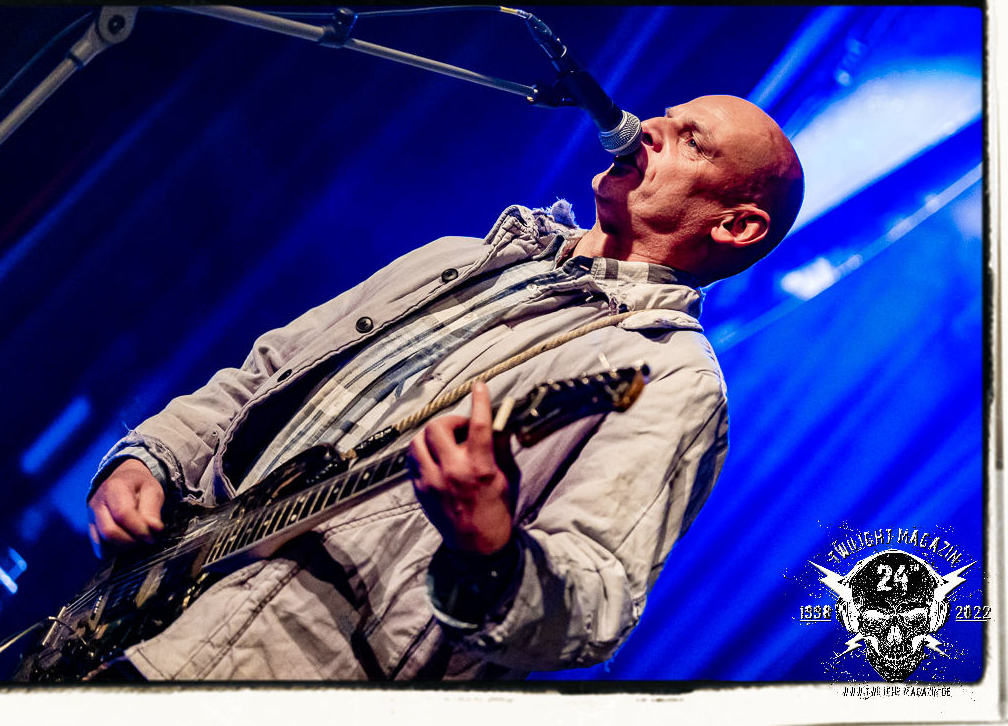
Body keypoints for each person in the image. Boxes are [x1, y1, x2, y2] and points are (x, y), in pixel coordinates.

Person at [85, 94, 803, 680]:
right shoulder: (457, 257)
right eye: (665, 116)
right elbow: (267, 370)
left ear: (738, 225)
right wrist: (149, 456)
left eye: (689, 141)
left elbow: (594, 603)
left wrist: (488, 548)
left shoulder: (671, 377)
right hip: (127, 612)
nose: (646, 129)